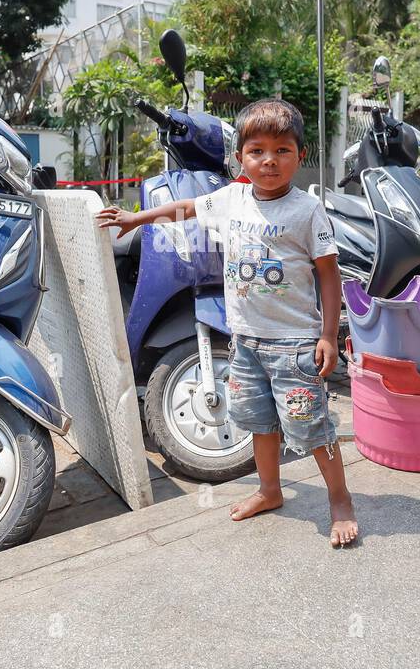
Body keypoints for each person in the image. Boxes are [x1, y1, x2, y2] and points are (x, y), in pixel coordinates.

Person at [97, 98, 358, 547]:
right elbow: (186, 208)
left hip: (293, 345)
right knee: (258, 422)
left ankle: (340, 500)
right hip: (244, 342)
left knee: (312, 427)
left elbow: (329, 275)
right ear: (240, 157)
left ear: (301, 155)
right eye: (257, 150)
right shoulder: (232, 196)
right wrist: (134, 218)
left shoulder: (306, 210)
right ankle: (269, 491)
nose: (269, 161)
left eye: (282, 150)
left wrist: (329, 336)